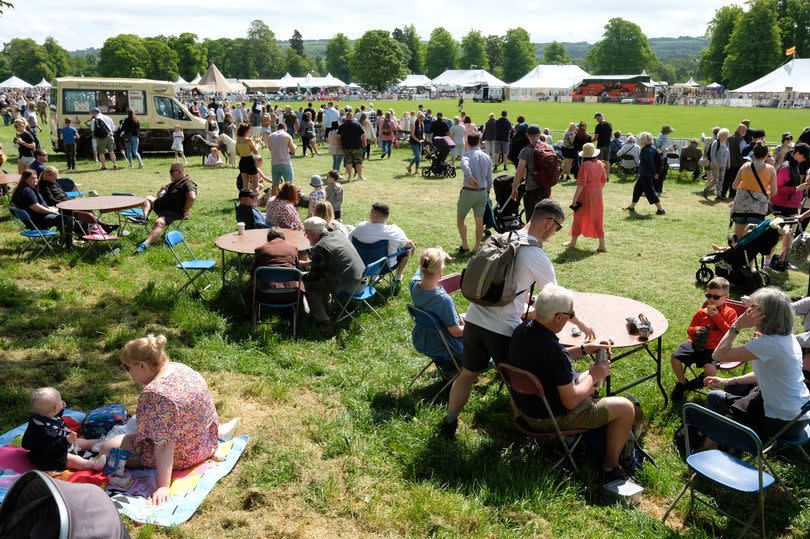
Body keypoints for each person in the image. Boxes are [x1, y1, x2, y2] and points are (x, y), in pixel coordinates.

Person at [439, 200, 596, 439]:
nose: (555, 234)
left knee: (467, 374)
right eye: (557, 228)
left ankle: (449, 421)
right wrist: (580, 323)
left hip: (473, 318)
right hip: (502, 329)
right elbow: (555, 299)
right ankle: (523, 428)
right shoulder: (535, 255)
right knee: (517, 383)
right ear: (549, 223)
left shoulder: (504, 236)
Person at [504, 284, 634, 482]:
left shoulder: (523, 330)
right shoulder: (553, 351)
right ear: (558, 317)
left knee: (583, 380)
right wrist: (595, 374)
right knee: (626, 407)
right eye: (570, 314)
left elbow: (553, 360)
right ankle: (611, 467)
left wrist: (583, 348)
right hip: (548, 420)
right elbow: (571, 401)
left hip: (524, 411)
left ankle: (584, 439)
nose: (570, 317)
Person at [100, 334, 220, 507]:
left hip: (185, 455)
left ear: (141, 366)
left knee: (107, 448)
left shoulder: (155, 395)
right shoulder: (181, 368)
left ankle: (115, 471)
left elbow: (164, 447)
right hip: (207, 442)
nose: (128, 373)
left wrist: (163, 486)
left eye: (127, 368)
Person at [707, 287, 810, 440]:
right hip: (798, 417)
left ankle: (719, 443)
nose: (748, 310)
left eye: (754, 308)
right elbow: (767, 373)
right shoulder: (788, 338)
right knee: (734, 394)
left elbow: (718, 355)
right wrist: (727, 380)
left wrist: (737, 326)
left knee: (715, 398)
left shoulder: (769, 344)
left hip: (781, 424)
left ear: (765, 315)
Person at [670, 277, 737, 400]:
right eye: (708, 295)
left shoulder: (730, 313)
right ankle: (682, 382)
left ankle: (692, 385)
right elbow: (689, 330)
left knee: (710, 370)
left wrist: (716, 317)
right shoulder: (701, 313)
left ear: (726, 297)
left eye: (716, 297)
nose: (711, 299)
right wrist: (695, 330)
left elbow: (729, 333)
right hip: (696, 344)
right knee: (675, 358)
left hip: (715, 348)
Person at [301, 216, 365, 333]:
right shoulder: (337, 234)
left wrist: (300, 276)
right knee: (322, 280)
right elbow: (334, 257)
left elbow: (314, 276)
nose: (306, 237)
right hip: (363, 281)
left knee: (311, 285)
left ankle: (323, 323)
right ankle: (326, 309)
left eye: (306, 234)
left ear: (313, 233)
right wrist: (311, 262)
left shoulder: (320, 247)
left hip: (349, 287)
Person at [410, 247, 464, 376]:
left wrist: (437, 255)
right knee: (483, 345)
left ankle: (447, 365)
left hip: (422, 338)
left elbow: (422, 269)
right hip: (443, 343)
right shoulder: (442, 300)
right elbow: (456, 332)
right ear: (441, 270)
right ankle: (457, 367)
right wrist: (474, 328)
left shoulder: (413, 284)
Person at [21, 387, 102, 472]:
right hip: (49, 457)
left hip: (62, 444)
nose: (62, 401)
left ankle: (101, 442)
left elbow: (54, 416)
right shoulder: (43, 430)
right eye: (60, 400)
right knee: (74, 460)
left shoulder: (42, 416)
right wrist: (66, 440)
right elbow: (50, 445)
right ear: (56, 408)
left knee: (82, 442)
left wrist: (60, 410)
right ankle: (93, 465)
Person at [350, 202, 416, 288]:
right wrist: (413, 245)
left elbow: (349, 240)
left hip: (359, 265)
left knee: (373, 252)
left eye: (370, 213)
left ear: (374, 215)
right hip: (383, 267)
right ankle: (398, 277)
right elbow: (408, 244)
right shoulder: (393, 231)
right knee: (405, 252)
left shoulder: (360, 227)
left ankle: (374, 277)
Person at [135, 164, 197, 254]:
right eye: (170, 171)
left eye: (172, 171)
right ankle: (144, 216)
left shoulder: (187, 183)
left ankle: (145, 244)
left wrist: (185, 210)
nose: (170, 174)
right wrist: (162, 190)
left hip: (172, 211)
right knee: (148, 197)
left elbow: (192, 197)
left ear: (180, 171)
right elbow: (158, 195)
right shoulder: (174, 183)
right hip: (162, 206)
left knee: (159, 222)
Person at [11, 170, 73, 247]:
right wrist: (51, 211)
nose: (35, 180)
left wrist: (50, 208)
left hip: (32, 219)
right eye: (32, 178)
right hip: (39, 220)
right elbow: (36, 207)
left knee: (62, 215)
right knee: (66, 219)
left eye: (36, 178)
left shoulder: (21, 189)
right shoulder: (27, 191)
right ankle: (69, 245)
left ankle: (63, 240)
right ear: (25, 179)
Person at [243, 227, 303, 306]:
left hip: (263, 295)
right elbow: (299, 271)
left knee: (251, 281)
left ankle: (250, 312)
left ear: (268, 239)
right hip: (292, 295)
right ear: (283, 238)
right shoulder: (293, 248)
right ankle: (297, 313)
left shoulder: (260, 249)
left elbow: (253, 272)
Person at [565, 143, 607, 252]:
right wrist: (597, 189)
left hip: (585, 194)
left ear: (584, 155)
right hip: (597, 194)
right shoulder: (600, 164)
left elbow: (580, 185)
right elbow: (603, 180)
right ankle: (602, 245)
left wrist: (574, 200)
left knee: (578, 217)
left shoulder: (584, 165)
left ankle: (573, 243)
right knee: (598, 218)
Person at [730, 143, 777, 240]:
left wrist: (745, 187)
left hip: (741, 205)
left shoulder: (745, 166)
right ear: (766, 155)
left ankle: (734, 252)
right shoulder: (771, 169)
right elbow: (774, 191)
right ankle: (747, 254)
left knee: (737, 235)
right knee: (751, 237)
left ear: (753, 154)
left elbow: (734, 185)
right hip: (758, 208)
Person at [457, 133, 493, 254]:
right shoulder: (487, 157)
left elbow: (464, 165)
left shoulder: (466, 155)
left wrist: (471, 178)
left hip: (469, 192)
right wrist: (488, 191)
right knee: (479, 221)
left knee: (460, 219)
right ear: (479, 141)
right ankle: (477, 246)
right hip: (482, 192)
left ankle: (465, 244)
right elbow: (490, 178)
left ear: (468, 142)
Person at [510, 125, 549, 222]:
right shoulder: (548, 148)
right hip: (546, 188)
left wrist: (514, 188)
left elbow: (519, 171)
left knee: (531, 220)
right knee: (543, 218)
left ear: (527, 135)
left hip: (532, 189)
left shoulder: (526, 150)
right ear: (540, 134)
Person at [624, 132, 666, 215]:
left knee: (650, 192)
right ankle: (631, 207)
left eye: (640, 139)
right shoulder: (651, 148)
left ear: (644, 140)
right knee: (637, 189)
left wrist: (655, 173)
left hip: (646, 174)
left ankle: (661, 209)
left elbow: (650, 163)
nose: (639, 140)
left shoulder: (646, 150)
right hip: (644, 174)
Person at [338, 111, 367, 181]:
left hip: (346, 147)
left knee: (348, 162)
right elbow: (364, 134)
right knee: (358, 162)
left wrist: (340, 144)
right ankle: (360, 176)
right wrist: (365, 143)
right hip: (357, 146)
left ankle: (349, 176)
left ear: (346, 117)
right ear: (352, 117)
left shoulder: (342, 125)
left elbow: (338, 136)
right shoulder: (357, 124)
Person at [723, 124, 748, 200]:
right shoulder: (741, 141)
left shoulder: (728, 138)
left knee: (726, 179)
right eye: (745, 131)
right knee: (734, 180)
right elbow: (743, 152)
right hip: (737, 164)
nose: (745, 132)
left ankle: (722, 193)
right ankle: (732, 195)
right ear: (742, 131)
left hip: (727, 163)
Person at [236, 123, 260, 192]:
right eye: (250, 131)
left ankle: (245, 202)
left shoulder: (238, 140)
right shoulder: (249, 140)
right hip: (250, 161)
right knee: (256, 186)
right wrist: (257, 144)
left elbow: (237, 153)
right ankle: (255, 202)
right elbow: (255, 152)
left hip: (242, 162)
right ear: (246, 131)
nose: (251, 132)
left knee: (245, 185)